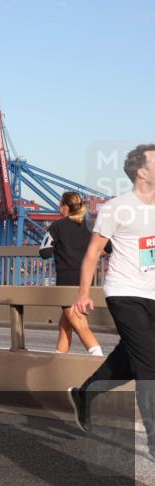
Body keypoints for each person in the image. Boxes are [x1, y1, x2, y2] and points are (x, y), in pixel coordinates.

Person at [68, 144, 155, 458]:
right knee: (149, 364)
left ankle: (86, 393)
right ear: (141, 171)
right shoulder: (116, 208)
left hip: (153, 292)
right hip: (124, 292)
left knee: (130, 360)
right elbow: (93, 252)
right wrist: (83, 293)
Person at [38, 192, 108, 356]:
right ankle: (59, 366)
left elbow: (44, 252)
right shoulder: (91, 226)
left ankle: (100, 362)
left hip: (66, 281)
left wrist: (60, 248)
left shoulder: (57, 226)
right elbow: (109, 247)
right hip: (86, 281)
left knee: (81, 326)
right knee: (64, 326)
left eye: (59, 205)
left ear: (65, 207)